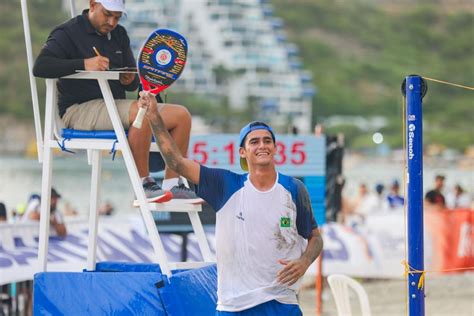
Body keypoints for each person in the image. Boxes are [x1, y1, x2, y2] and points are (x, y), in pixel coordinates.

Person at [140, 92, 323, 315]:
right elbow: (176, 162)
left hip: (282, 302)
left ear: (275, 149)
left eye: (267, 141)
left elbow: (315, 236)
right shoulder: (226, 184)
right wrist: (154, 118)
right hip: (234, 306)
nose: (262, 145)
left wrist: (304, 262)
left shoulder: (294, 189)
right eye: (254, 142)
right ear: (243, 152)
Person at [32, 0, 198, 202]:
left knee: (182, 116)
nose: (111, 22)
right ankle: (144, 184)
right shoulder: (67, 32)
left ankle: (173, 183)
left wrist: (129, 80)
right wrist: (84, 64)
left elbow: (131, 81)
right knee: (142, 112)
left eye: (117, 17)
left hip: (115, 106)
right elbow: (40, 66)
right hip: (78, 110)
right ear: (93, 5)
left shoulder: (119, 34)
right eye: (107, 14)